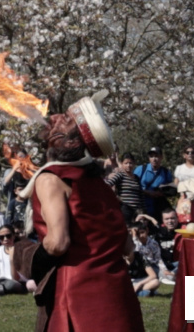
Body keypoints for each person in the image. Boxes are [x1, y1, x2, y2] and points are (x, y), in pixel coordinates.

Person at [14, 98, 144, 331]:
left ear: (65, 141)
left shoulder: (51, 180)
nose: (56, 117)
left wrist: (25, 255)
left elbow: (58, 243)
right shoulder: (101, 185)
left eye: (65, 121)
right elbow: (126, 246)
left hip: (79, 295)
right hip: (118, 294)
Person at [134, 147, 173, 221]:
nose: (154, 159)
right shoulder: (140, 169)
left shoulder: (165, 172)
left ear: (161, 157)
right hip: (142, 205)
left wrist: (161, 193)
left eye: (156, 156)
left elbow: (170, 190)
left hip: (158, 207)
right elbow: (133, 186)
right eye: (151, 156)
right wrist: (147, 192)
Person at [104, 152, 144, 223]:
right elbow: (107, 184)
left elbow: (140, 194)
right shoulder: (120, 175)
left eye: (130, 163)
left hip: (137, 211)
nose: (128, 165)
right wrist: (114, 197)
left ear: (134, 164)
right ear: (122, 164)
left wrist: (142, 210)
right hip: (125, 209)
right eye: (126, 163)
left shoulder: (136, 178)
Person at [0, 225, 24, 294]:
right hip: (1, 281)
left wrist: (11, 259)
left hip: (16, 282)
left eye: (8, 236)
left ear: (14, 236)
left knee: (10, 285)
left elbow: (16, 278)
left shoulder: (21, 250)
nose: (5, 239)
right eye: (1, 237)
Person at [174, 144, 194, 223]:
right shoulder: (179, 168)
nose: (190, 154)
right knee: (182, 220)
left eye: (192, 152)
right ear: (184, 155)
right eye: (187, 152)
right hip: (183, 199)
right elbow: (176, 182)